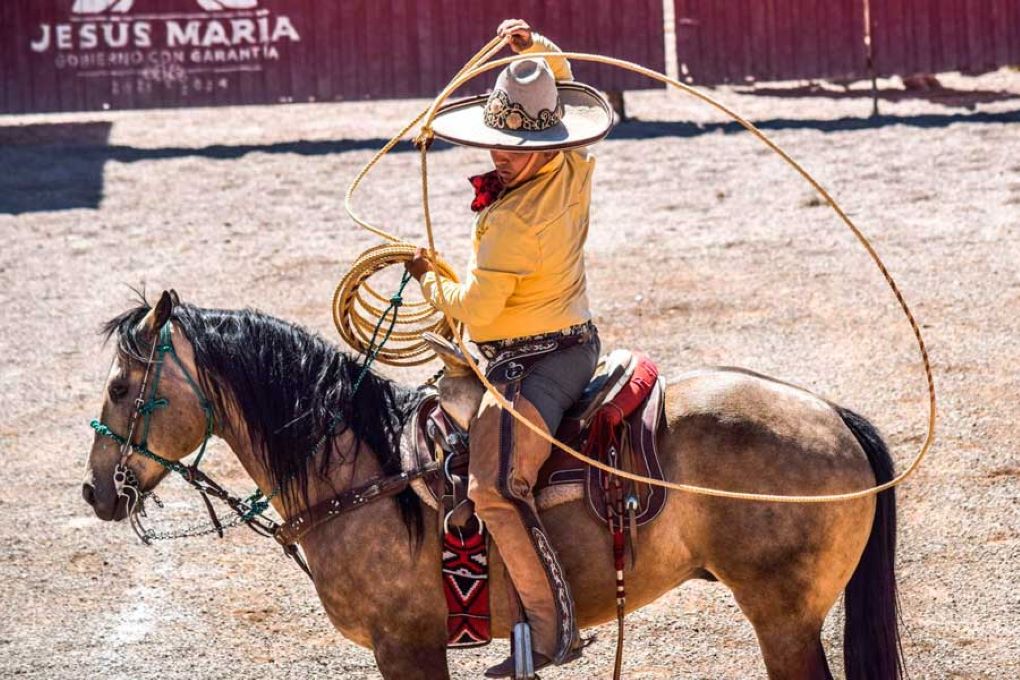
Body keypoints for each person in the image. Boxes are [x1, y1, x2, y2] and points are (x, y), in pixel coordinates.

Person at [405, 18, 614, 678]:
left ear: (544, 144)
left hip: (537, 359)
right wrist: (534, 51)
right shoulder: (575, 162)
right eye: (499, 142)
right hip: (572, 338)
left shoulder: (512, 225)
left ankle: (554, 633)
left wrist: (430, 277)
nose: (500, 155)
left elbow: (475, 309)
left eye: (512, 147)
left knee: (495, 488)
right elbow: (557, 79)